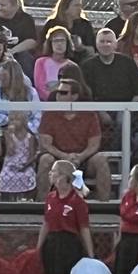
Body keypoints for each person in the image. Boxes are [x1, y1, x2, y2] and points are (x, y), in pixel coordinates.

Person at [36, 70, 111, 198]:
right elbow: (46, 144)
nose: (58, 96)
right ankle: (42, 204)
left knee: (101, 160)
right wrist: (64, 156)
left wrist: (80, 157)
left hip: (83, 159)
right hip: (57, 158)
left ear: (75, 96)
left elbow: (94, 144)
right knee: (45, 160)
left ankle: (104, 206)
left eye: (63, 93)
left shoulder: (89, 114)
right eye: (57, 92)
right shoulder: (49, 114)